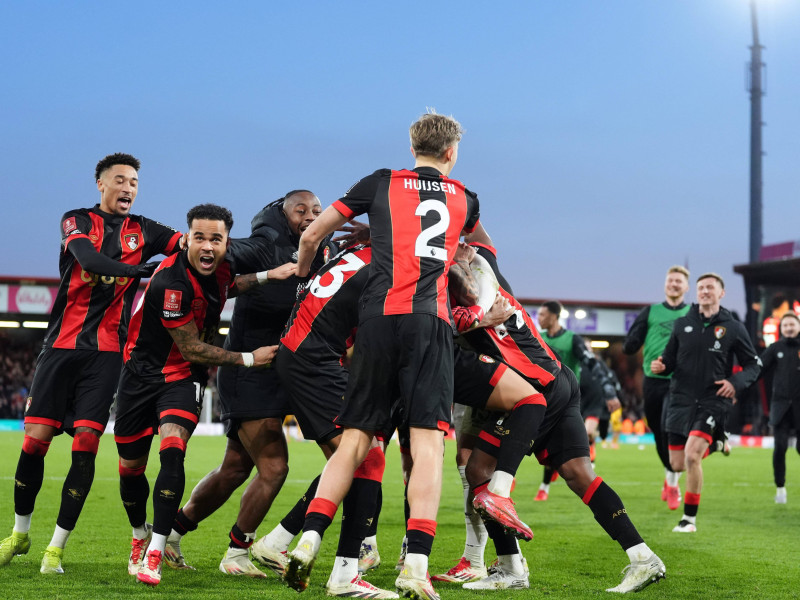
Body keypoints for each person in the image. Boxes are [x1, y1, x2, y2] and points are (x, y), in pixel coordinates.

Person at [284, 110, 480, 600]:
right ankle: (415, 566)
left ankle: (308, 540)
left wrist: (304, 271)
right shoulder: (467, 199)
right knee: (428, 445)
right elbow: (469, 260)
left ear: (411, 145)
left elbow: (312, 235)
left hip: (375, 321)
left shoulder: (379, 183)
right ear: (452, 152)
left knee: (356, 439)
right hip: (428, 324)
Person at [0, 153, 182, 574]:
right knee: (35, 442)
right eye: (120, 180)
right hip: (60, 348)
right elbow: (89, 260)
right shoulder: (76, 220)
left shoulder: (147, 229)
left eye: (134, 182)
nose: (128, 188)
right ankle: (20, 533)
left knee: (85, 447)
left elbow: (187, 247)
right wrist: (140, 271)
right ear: (101, 185)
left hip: (105, 357)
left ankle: (55, 549)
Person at [454, 234, 665, 593]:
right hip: (561, 381)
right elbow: (481, 241)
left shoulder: (470, 307)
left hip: (538, 390)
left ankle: (511, 568)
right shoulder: (494, 282)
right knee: (579, 474)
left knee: (478, 470)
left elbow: (453, 316)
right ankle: (643, 557)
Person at [113, 203, 297, 586]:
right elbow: (192, 346)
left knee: (173, 452)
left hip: (183, 379)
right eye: (200, 238)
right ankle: (139, 535)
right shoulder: (170, 284)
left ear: (228, 241)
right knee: (130, 469)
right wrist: (249, 358)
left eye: (217, 238)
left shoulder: (225, 267)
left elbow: (232, 285)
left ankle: (156, 551)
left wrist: (267, 275)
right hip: (142, 376)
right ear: (187, 240)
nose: (209, 246)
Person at [161, 191, 336, 577]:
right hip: (249, 371)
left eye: (317, 211)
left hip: (289, 372)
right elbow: (223, 255)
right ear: (283, 213)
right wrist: (201, 247)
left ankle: (172, 533)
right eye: (300, 210)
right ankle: (238, 553)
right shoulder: (266, 243)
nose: (310, 217)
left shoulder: (326, 250)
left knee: (234, 469)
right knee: (275, 467)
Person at [652, 273, 761, 533]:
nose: (704, 291)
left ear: (721, 293)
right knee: (676, 463)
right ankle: (719, 442)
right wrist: (662, 365)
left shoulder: (733, 327)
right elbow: (669, 359)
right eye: (701, 288)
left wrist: (735, 383)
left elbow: (754, 364)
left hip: (713, 400)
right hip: (680, 399)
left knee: (691, 457)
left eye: (710, 287)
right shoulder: (681, 324)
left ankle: (688, 520)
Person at [534, 300, 619, 500]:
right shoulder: (538, 338)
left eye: (543, 315)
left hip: (567, 399)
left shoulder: (573, 339)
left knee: (557, 443)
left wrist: (609, 390)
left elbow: (591, 363)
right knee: (542, 445)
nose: (539, 319)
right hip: (544, 397)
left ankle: (545, 487)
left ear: (554, 316)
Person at [623, 266, 691, 510]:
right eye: (670, 280)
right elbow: (632, 342)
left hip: (680, 382)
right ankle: (670, 473)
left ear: (686, 287)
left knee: (669, 429)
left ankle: (673, 482)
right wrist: (630, 345)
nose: (674, 284)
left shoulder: (693, 314)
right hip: (652, 380)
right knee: (657, 430)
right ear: (665, 285)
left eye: (679, 281)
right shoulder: (650, 312)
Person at [757, 311, 800, 504]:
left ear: (798, 326)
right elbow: (758, 370)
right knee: (780, 447)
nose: (789, 328)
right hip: (780, 406)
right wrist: (738, 385)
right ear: (781, 329)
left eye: (792, 324)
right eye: (785, 325)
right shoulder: (775, 348)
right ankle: (780, 488)